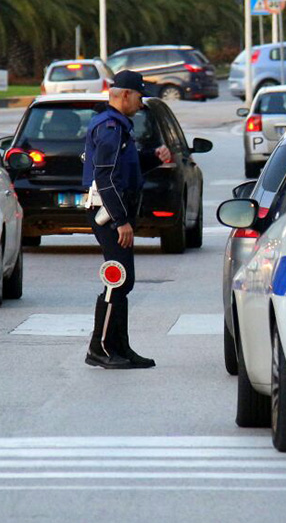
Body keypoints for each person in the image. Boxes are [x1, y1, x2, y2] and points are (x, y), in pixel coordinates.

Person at [81, 71, 172, 370]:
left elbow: (125, 168)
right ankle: (101, 347)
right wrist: (121, 221)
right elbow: (105, 176)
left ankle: (120, 346)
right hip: (108, 213)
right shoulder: (110, 127)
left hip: (114, 212)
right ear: (124, 95)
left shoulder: (118, 126)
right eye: (139, 96)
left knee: (123, 280)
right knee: (116, 280)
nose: (141, 102)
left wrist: (153, 158)